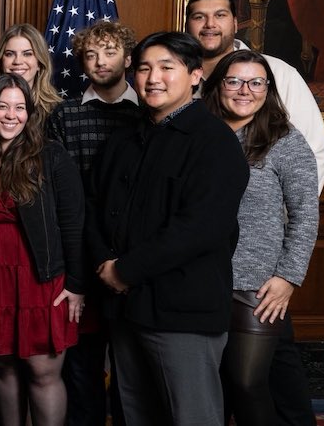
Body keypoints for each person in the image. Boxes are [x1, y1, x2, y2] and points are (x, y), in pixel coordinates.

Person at [86, 31, 249, 425]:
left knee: (189, 417)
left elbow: (199, 228)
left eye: (166, 67)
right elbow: (92, 207)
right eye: (143, 68)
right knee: (133, 414)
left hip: (183, 312)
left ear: (195, 75)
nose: (152, 77)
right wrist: (105, 265)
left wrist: (124, 270)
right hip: (124, 309)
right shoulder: (124, 139)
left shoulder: (215, 143)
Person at [186, 0, 324, 425]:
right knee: (219, 382)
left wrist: (288, 276)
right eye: (233, 82)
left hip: (258, 283)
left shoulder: (285, 141)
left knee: (249, 382)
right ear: (218, 86)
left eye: (255, 83)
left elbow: (305, 213)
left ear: (268, 90)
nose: (244, 91)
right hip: (202, 279)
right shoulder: (199, 135)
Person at [0, 73, 84, 426]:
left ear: (30, 114)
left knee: (42, 370)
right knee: (1, 366)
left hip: (39, 276)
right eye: (3, 106)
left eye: (20, 108)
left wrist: (76, 284)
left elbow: (74, 225)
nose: (11, 115)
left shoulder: (51, 156)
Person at [46, 21, 140, 426]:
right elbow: (61, 195)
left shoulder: (148, 112)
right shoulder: (64, 114)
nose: (100, 62)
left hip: (134, 258)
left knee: (131, 367)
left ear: (128, 58)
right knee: (81, 364)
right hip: (80, 254)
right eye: (90, 55)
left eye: (110, 52)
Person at [185, 0, 324, 190]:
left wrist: (283, 215)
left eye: (220, 15)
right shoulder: (176, 79)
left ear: (235, 23)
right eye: (199, 17)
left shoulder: (279, 73)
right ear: (187, 26)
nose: (210, 24)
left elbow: (314, 149)